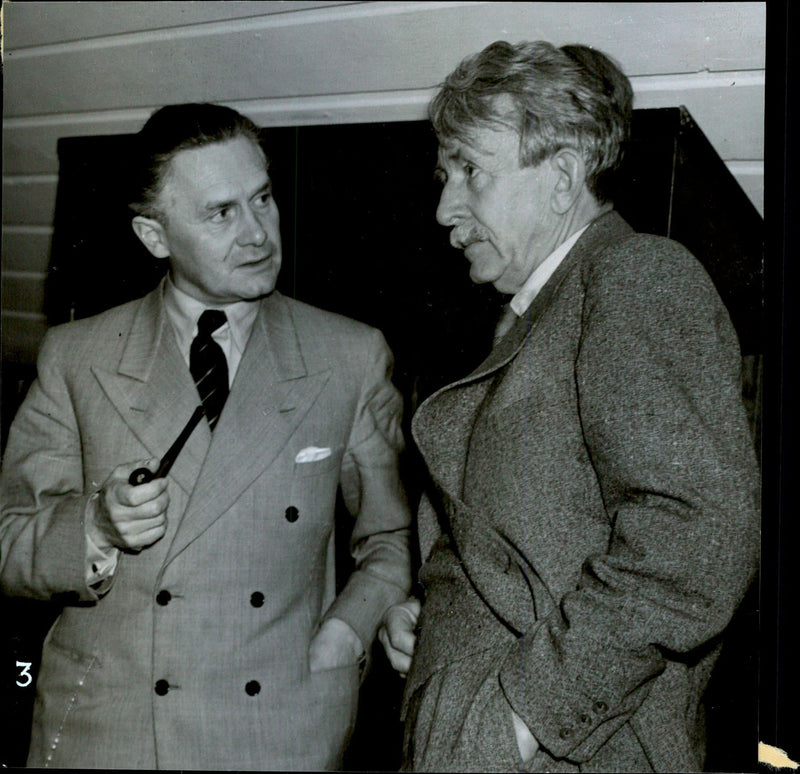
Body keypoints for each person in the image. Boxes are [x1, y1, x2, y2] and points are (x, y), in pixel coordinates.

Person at [379, 41, 760, 772]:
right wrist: (436, 620)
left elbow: (696, 538)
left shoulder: (636, 275)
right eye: (443, 173)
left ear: (562, 176)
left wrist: (523, 718)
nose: (444, 207)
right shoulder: (540, 310)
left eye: (469, 172)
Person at [0, 102, 412, 770]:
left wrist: (343, 634)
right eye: (220, 213)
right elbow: (8, 541)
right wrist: (95, 529)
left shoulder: (349, 355)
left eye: (263, 198)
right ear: (154, 236)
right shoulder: (75, 356)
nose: (258, 234)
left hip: (276, 727)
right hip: (110, 729)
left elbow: (389, 542)